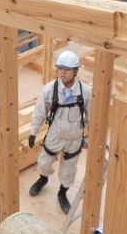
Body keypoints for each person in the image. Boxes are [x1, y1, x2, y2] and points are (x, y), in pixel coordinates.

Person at [27, 49, 93, 214]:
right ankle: (43, 179)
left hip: (75, 137)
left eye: (67, 69)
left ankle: (62, 193)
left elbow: (92, 115)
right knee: (44, 162)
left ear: (75, 71)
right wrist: (33, 132)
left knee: (69, 168)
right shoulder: (49, 89)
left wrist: (95, 137)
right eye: (60, 68)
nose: (62, 72)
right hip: (55, 134)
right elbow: (39, 112)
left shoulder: (85, 92)